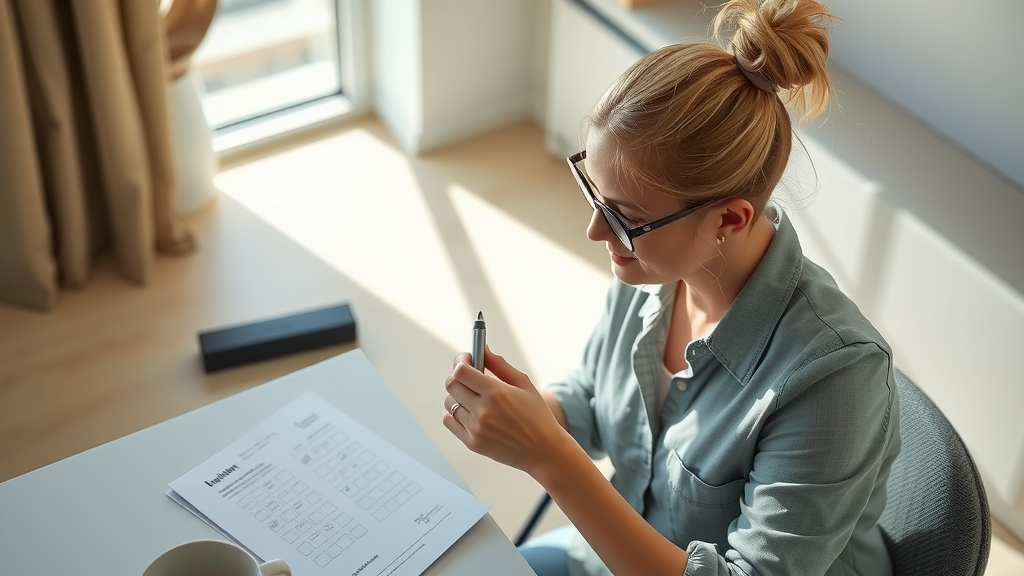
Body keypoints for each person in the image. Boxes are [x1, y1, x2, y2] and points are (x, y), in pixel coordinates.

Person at [442, 0, 901, 574]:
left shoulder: (833, 378)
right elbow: (593, 397)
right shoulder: (653, 268)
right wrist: (530, 416)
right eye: (595, 195)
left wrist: (549, 456)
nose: (593, 231)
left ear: (729, 220)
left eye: (625, 216)